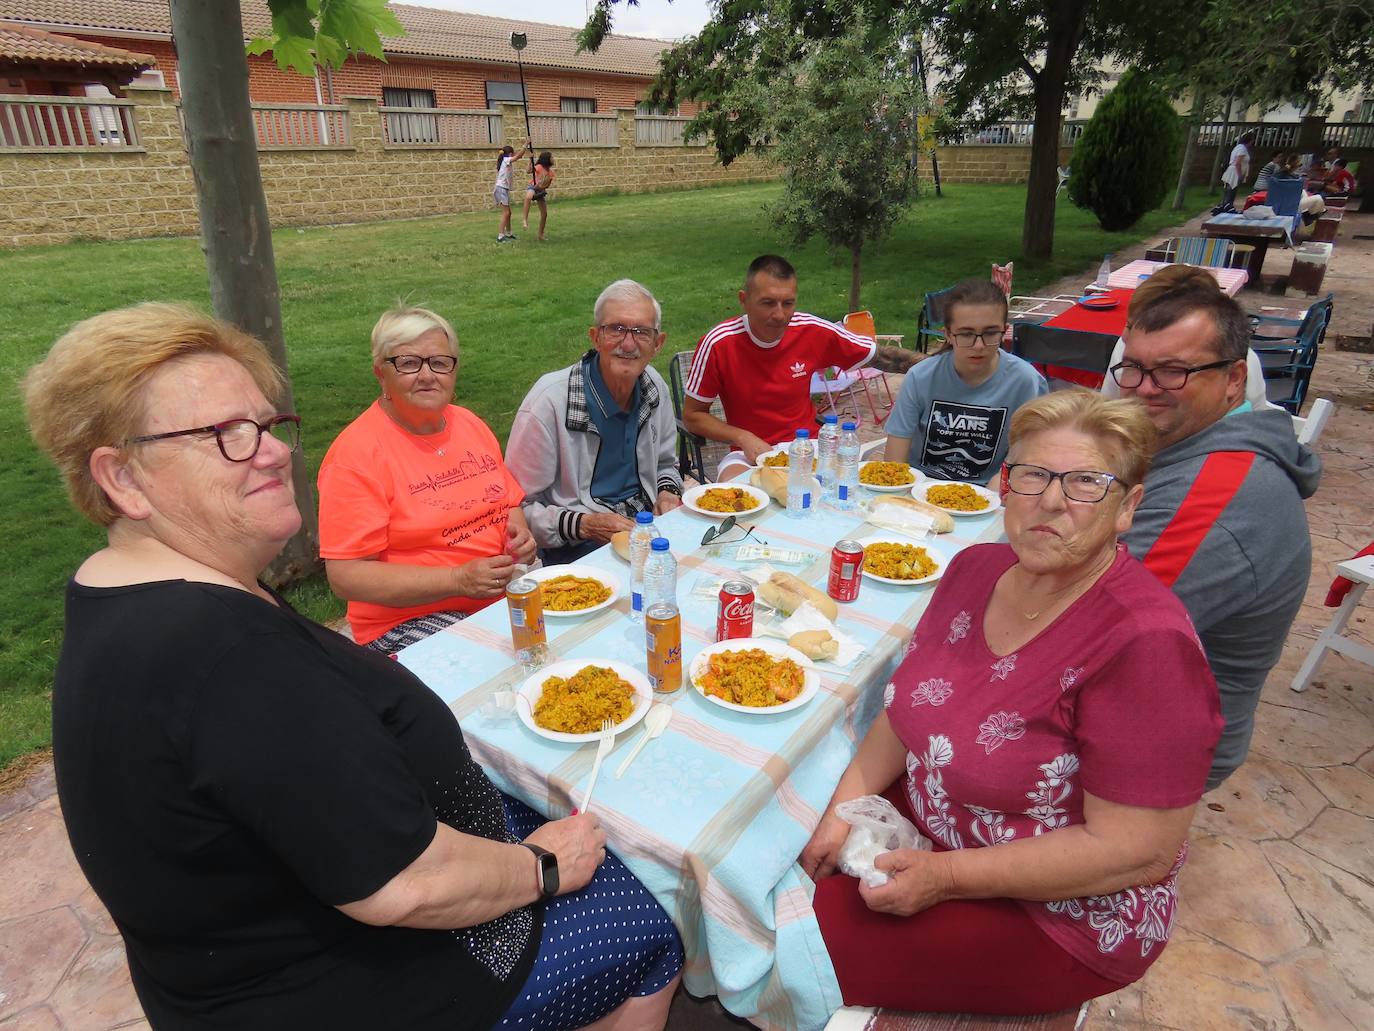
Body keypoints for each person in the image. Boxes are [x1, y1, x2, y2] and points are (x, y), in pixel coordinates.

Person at [21, 303, 683, 1030]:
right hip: (355, 984)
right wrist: (543, 869)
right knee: (650, 917)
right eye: (224, 436)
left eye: (268, 426)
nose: (273, 452)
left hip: (254, 949)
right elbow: (402, 884)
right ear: (121, 478)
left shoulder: (127, 589)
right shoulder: (223, 657)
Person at [802, 390, 1222, 1015]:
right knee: (776, 848)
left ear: (1127, 506)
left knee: (790, 938)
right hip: (942, 822)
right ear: (1006, 486)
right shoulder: (975, 567)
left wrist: (946, 880)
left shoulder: (1145, 643)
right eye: (1032, 476)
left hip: (1057, 908)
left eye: (1085, 482)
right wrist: (845, 807)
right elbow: (908, 708)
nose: (1051, 500)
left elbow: (1138, 850)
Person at [1110, 282, 1321, 788]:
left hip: (1154, 746)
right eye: (1133, 367)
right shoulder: (1190, 445)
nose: (1143, 388)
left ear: (1233, 380)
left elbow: (1090, 628)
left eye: (1173, 371)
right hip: (1135, 699)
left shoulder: (1219, 495)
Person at [317, 305, 538, 652]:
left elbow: (508, 502)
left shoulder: (469, 424)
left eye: (439, 362)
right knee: (504, 668)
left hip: (496, 596)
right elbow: (346, 577)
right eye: (408, 363)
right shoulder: (356, 455)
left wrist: (519, 534)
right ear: (380, 373)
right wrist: (458, 579)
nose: (427, 375)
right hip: (405, 620)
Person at [506, 280, 682, 564]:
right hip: (575, 549)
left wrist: (668, 492)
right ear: (595, 337)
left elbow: (666, 464)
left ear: (658, 343)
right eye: (616, 329)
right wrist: (584, 525)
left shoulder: (654, 387)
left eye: (641, 332)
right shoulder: (549, 402)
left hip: (648, 529)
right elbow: (515, 506)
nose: (628, 343)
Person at [683, 254, 876, 479]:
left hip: (806, 446)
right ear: (744, 300)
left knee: (850, 486)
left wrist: (926, 365)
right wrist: (742, 437)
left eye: (788, 303)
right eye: (768, 303)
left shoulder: (810, 330)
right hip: (747, 454)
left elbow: (881, 356)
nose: (779, 315)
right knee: (732, 492)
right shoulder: (719, 343)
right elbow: (693, 415)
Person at [883, 279, 1047, 482]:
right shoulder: (920, 377)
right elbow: (893, 462)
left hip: (988, 493)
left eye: (990, 333)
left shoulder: (1026, 382)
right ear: (948, 335)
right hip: (919, 487)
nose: (978, 346)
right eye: (966, 334)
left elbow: (1027, 457)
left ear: (1005, 330)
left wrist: (993, 497)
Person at [494, 140, 531, 242]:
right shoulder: (506, 160)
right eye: (513, 153)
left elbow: (519, 156)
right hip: (501, 188)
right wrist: (526, 145)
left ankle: (509, 234)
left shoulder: (506, 161)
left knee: (508, 213)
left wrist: (528, 156)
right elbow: (518, 156)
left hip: (503, 189)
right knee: (506, 213)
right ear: (510, 154)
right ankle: (500, 236)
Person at [522, 151, 556, 240]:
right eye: (551, 157)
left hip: (540, 191)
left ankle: (541, 235)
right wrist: (530, 160)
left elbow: (547, 185)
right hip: (533, 187)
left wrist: (541, 186)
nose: (553, 159)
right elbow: (528, 171)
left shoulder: (551, 173)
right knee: (528, 197)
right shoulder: (539, 167)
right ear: (547, 159)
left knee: (544, 214)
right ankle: (525, 220)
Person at [1220, 130, 1254, 210]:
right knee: (1231, 191)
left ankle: (1226, 206)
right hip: (1234, 172)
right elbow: (1238, 163)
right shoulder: (1242, 149)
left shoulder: (1239, 147)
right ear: (1250, 140)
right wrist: (1239, 175)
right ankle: (1227, 207)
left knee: (1230, 191)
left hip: (1233, 171)